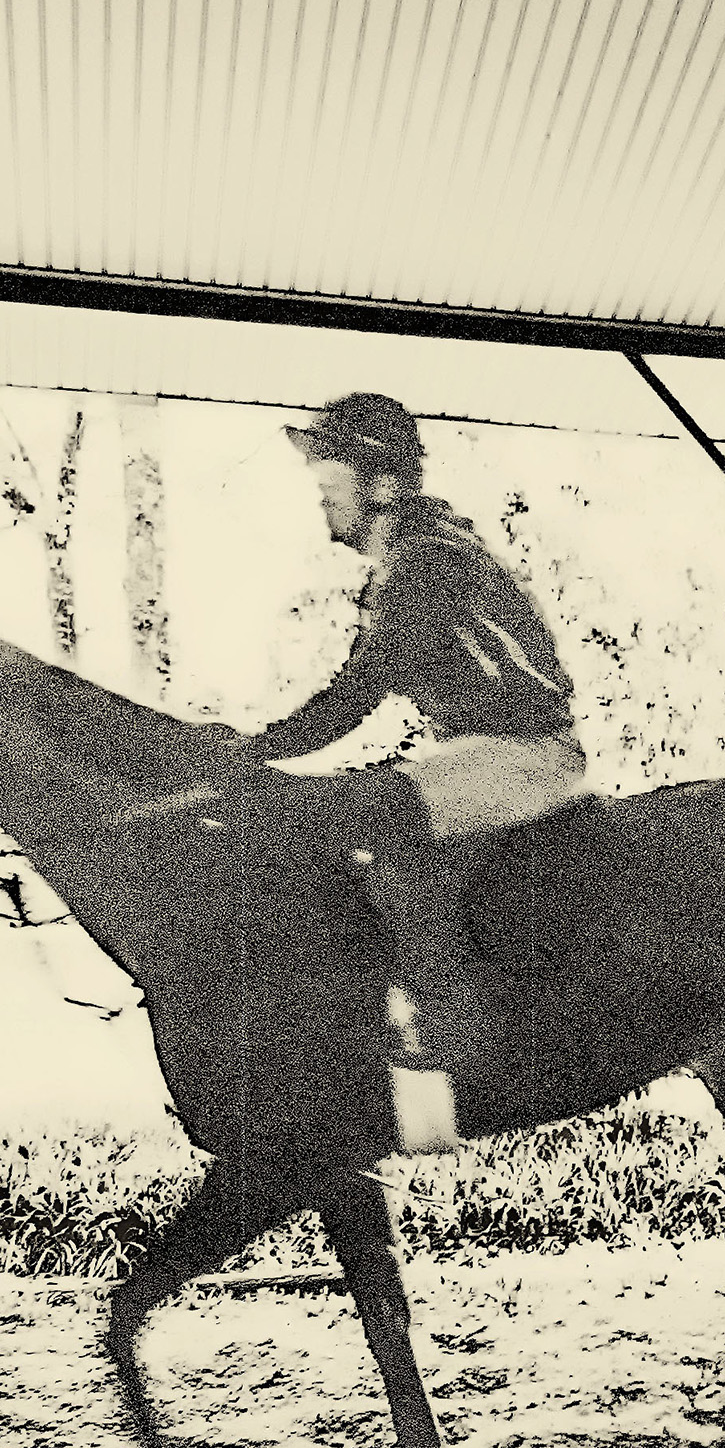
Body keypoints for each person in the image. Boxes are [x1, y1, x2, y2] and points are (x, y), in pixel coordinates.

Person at [249, 392, 590, 1062]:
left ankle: (451, 1034)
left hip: (524, 754)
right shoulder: (416, 553)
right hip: (490, 748)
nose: (322, 501)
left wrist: (256, 750)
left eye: (330, 484)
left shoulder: (424, 560)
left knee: (385, 828)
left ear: (381, 485)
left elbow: (359, 691)